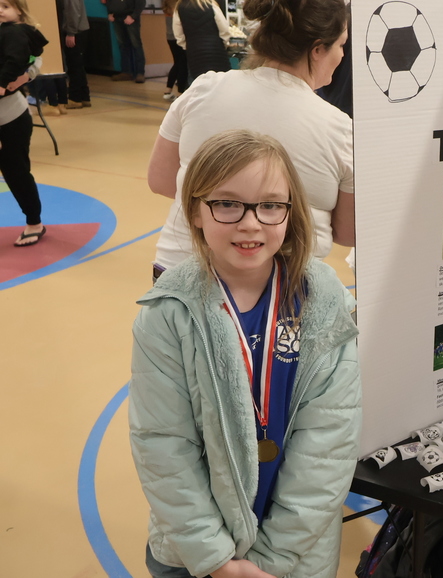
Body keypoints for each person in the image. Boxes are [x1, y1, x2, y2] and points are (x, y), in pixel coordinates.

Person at [130, 129, 361, 578]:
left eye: (271, 204)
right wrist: (217, 560)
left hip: (295, 555)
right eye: (227, 203)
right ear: (195, 210)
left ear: (291, 211)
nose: (251, 223)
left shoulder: (326, 301)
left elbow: (329, 447)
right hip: (193, 554)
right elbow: (163, 446)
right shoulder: (167, 314)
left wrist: (271, 561)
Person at [148, 0, 354, 281]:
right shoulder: (339, 129)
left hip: (180, 271)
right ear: (317, 49)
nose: (342, 55)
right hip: (279, 293)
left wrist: (224, 205)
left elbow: (160, 180)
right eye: (341, 45)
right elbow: (348, 232)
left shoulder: (204, 89)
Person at [0, 0, 47, 247]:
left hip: (10, 115)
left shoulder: (18, 32)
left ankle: (34, 222)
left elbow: (32, 61)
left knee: (15, 170)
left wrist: (22, 77)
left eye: (5, 5)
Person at [173, 0, 231, 82]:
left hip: (194, 54)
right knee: (221, 82)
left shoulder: (179, 7)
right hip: (216, 50)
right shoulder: (210, 4)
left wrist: (188, 46)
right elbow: (224, 29)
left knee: (198, 83)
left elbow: (178, 35)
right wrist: (224, 43)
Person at [104, 0, 145, 83]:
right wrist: (110, 12)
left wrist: (133, 16)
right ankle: (126, 72)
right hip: (116, 17)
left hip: (130, 17)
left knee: (136, 45)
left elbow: (141, 2)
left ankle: (140, 73)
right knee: (122, 45)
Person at [59, 0, 90, 108]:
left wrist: (71, 32)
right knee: (78, 65)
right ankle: (84, 97)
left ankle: (75, 98)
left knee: (74, 65)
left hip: (76, 32)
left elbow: (73, 11)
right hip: (79, 30)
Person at [162, 0, 188, 100]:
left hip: (170, 39)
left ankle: (168, 90)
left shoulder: (167, 7)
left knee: (177, 63)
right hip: (179, 39)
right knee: (183, 66)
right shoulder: (178, 9)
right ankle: (180, 92)